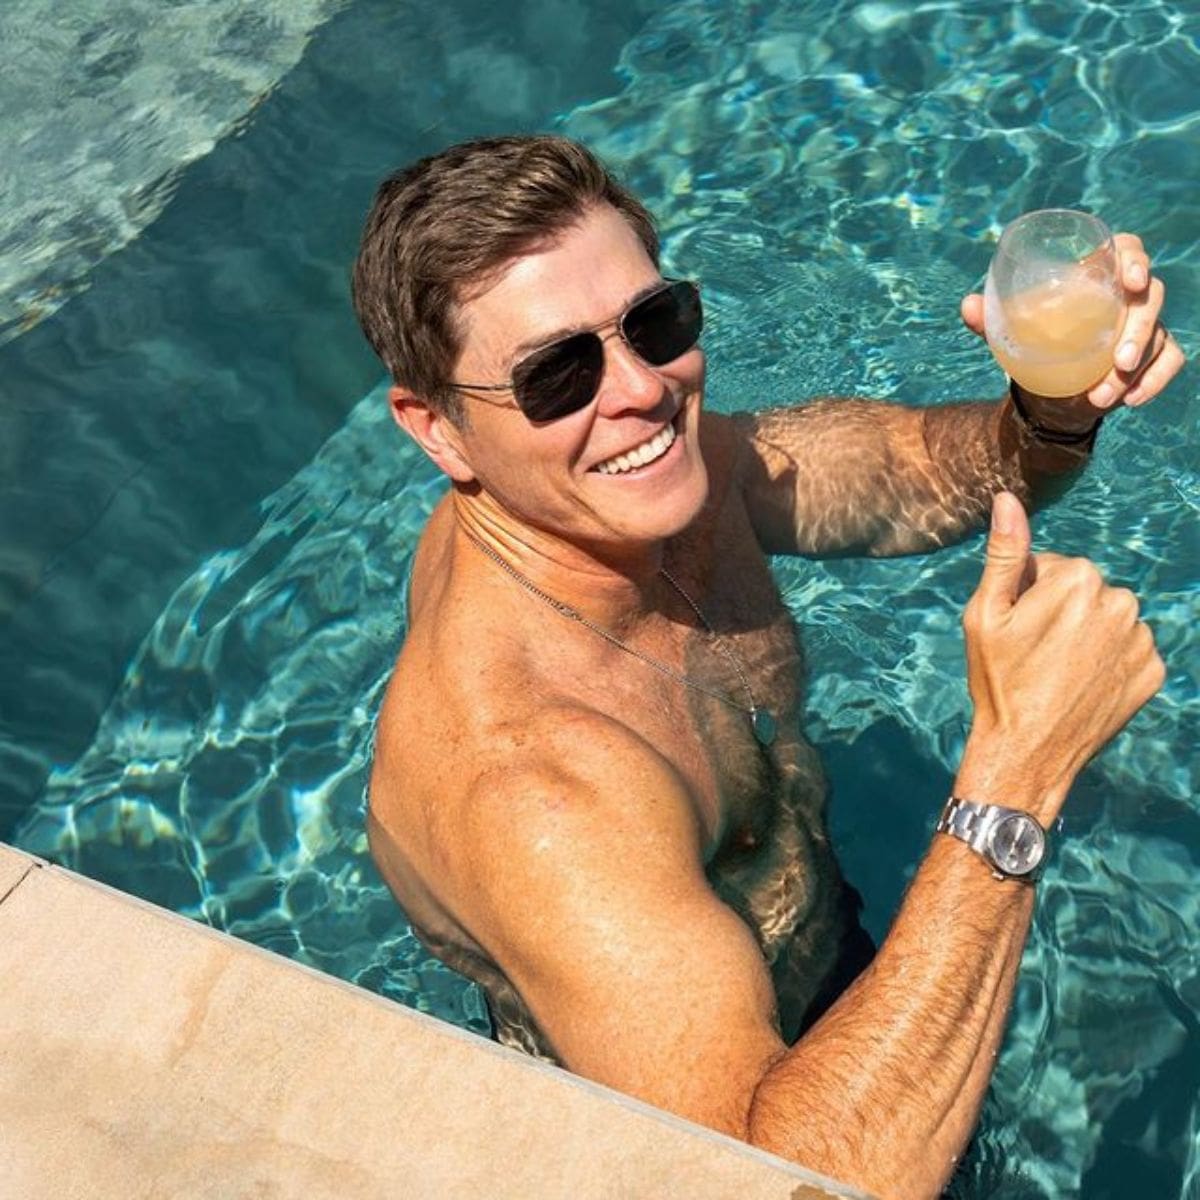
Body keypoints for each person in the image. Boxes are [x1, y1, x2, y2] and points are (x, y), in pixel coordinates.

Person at [350, 135, 1183, 1200]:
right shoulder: (534, 792)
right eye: (556, 376)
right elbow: (774, 1182)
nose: (642, 391)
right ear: (439, 431)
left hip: (815, 979)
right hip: (722, 1127)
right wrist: (1017, 775)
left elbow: (923, 473)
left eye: (656, 323)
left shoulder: (659, 484)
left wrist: (1054, 406)